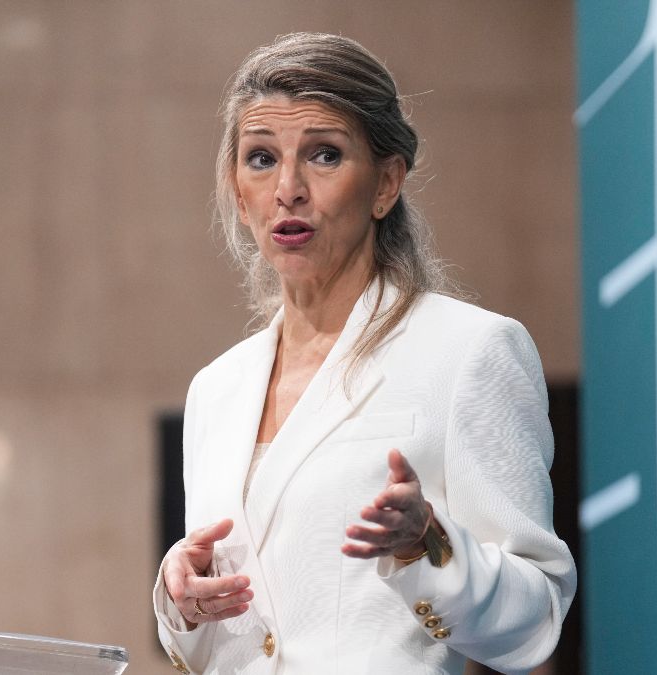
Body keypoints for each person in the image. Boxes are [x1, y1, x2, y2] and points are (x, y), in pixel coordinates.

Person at [153, 33, 576, 675]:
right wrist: (183, 601)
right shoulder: (215, 389)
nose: (288, 188)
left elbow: (536, 614)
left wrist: (426, 545)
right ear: (239, 196)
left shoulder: (468, 351)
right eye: (261, 159)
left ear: (386, 183)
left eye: (324, 155)